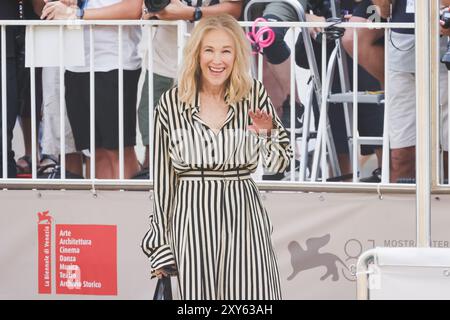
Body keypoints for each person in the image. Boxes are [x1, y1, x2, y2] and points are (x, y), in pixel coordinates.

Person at [141, 14, 293, 299]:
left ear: (237, 55)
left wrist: (267, 133)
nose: (217, 60)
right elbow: (162, 185)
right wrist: (161, 246)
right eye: (209, 50)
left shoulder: (253, 95)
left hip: (244, 217)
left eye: (226, 51)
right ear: (196, 53)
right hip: (191, 220)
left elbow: (279, 163)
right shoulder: (171, 104)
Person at [41, 0, 142, 179]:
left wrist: (79, 15)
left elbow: (133, 8)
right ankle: (103, 206)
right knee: (95, 151)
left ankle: (128, 206)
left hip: (114, 60)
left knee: (118, 149)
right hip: (76, 62)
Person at [138, 0, 243, 170]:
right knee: (151, 128)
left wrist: (191, 12)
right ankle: (156, 180)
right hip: (162, 58)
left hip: (209, 59)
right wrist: (150, 10)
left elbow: (233, 9)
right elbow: (147, 7)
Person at [373, 0, 449, 182]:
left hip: (443, 51)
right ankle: (398, 210)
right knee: (401, 156)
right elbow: (383, 11)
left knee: (447, 153)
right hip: (401, 50)